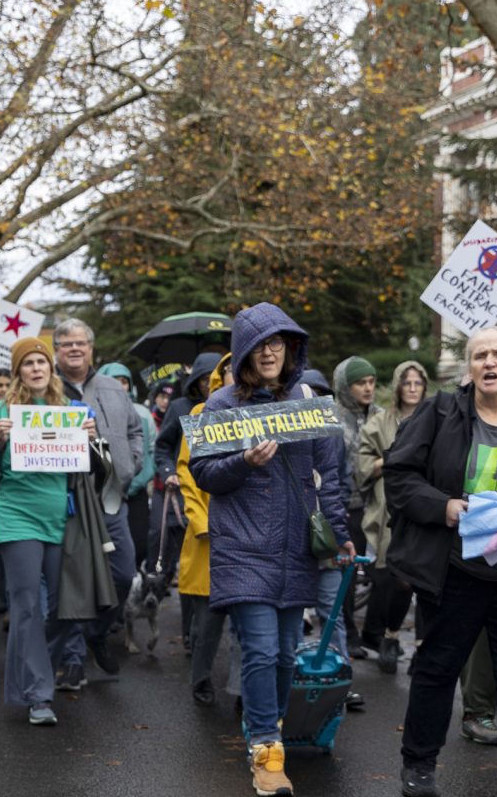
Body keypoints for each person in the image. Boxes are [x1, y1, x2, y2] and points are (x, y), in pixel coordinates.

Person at [189, 303, 351, 797]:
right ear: (244, 353)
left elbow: (331, 480)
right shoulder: (221, 406)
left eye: (279, 342)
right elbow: (204, 474)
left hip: (295, 548)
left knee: (283, 654)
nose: (271, 351)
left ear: (292, 348)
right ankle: (265, 748)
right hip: (243, 545)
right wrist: (243, 461)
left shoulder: (308, 404)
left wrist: (340, 536)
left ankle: (270, 726)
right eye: (261, 344)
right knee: (259, 650)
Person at [385, 326, 497, 797]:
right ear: (469, 368)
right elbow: (399, 474)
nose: (489, 363)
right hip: (456, 571)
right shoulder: (441, 412)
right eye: (480, 355)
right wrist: (445, 507)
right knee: (437, 667)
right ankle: (419, 764)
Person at [0, 337, 96, 727]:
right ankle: (39, 694)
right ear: (19, 371)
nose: (37, 368)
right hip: (16, 516)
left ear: (52, 367)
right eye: (29, 363)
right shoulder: (3, 410)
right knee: (26, 606)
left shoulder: (70, 410)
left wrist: (91, 443)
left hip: (61, 517)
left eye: (42, 361)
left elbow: (89, 470)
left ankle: (35, 673)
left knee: (64, 607)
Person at [52, 318, 143, 684]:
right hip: (67, 498)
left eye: (81, 343)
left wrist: (131, 464)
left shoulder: (112, 388)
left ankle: (97, 631)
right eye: (67, 344)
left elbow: (135, 431)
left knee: (123, 571)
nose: (75, 349)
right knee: (73, 580)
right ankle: (73, 658)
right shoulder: (47, 388)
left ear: (91, 348)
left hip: (109, 494)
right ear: (56, 350)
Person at [354, 360, 428, 674]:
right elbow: (362, 465)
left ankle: (422, 648)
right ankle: (389, 636)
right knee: (393, 578)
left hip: (426, 506)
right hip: (388, 506)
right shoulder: (380, 422)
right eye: (407, 383)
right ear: (398, 386)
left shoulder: (436, 418)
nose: (412, 389)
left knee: (426, 579)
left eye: (418, 383)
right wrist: (395, 458)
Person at [175, 353, 231, 705]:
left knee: (247, 620)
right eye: (230, 372)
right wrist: (199, 521)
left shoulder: (268, 413)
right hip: (209, 531)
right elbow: (187, 471)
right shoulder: (201, 415)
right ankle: (201, 678)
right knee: (207, 619)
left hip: (249, 531)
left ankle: (243, 688)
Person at [332, 355, 379, 659]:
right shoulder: (332, 417)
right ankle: (348, 632)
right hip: (346, 507)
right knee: (345, 575)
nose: (368, 388)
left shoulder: (381, 416)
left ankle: (375, 633)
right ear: (346, 386)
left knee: (383, 572)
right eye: (360, 382)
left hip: (377, 506)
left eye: (372, 382)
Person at [97, 363, 156, 570]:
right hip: (104, 493)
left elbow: (150, 450)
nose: (120, 386)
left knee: (138, 545)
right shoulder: (95, 410)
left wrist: (136, 477)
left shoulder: (142, 413)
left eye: (124, 381)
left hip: (136, 490)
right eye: (114, 381)